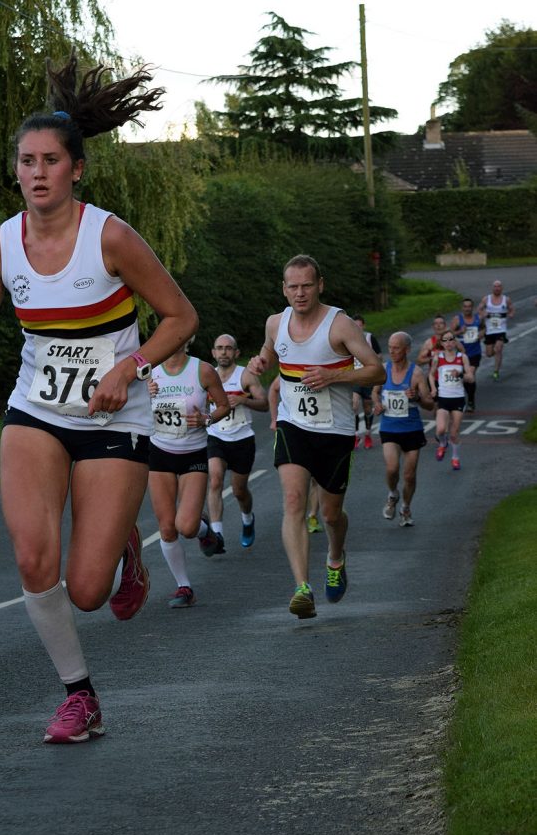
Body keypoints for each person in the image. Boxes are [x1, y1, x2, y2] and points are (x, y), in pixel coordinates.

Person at [0, 53, 197, 744]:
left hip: (115, 415)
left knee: (89, 591)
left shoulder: (110, 236)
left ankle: (124, 541)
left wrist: (132, 366)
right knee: (35, 558)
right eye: (26, 160)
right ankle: (79, 694)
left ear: (76, 169)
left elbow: (182, 317)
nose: (36, 172)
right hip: (36, 411)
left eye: (50, 160)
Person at [249, 255, 385, 620]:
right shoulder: (276, 323)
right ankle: (301, 588)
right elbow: (267, 351)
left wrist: (333, 376)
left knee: (330, 513)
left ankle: (336, 557)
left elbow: (377, 372)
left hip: (336, 432)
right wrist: (259, 362)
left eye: (306, 285)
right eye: (292, 287)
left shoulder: (339, 325)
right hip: (294, 427)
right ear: (284, 288)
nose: (300, 293)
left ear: (320, 284)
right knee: (293, 501)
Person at [147, 339, 230, 608]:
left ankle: (204, 530)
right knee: (168, 528)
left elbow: (224, 406)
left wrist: (207, 419)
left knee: (187, 526)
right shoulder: (148, 371)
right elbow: (128, 406)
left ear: (188, 340)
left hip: (193, 453)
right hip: (159, 452)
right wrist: (142, 393)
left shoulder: (203, 370)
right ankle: (184, 587)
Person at [205, 334, 268, 553]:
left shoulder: (246, 376)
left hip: (242, 439)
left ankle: (247, 518)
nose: (223, 352)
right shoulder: (206, 376)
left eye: (228, 348)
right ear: (213, 352)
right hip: (216, 436)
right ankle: (217, 533)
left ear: (236, 353)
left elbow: (265, 404)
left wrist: (243, 400)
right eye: (219, 348)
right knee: (214, 480)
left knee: (240, 491)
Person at [372, 332, 435, 527]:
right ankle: (393, 494)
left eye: (396, 347)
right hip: (390, 427)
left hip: (411, 428)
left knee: (409, 475)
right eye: (390, 347)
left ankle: (406, 507)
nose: (391, 351)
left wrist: (416, 398)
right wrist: (377, 405)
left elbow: (430, 404)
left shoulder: (416, 373)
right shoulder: (383, 370)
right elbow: (375, 392)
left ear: (407, 349)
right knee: (392, 468)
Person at [269, 376, 321, 533]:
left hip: (321, 428)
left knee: (315, 479)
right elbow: (273, 389)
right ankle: (301, 515)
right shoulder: (291, 366)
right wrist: (274, 418)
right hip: (294, 430)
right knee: (297, 485)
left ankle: (312, 514)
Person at [429, 329, 474, 471]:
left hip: (458, 398)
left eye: (450, 339)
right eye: (445, 340)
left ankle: (455, 458)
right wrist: (433, 388)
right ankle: (442, 444)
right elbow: (430, 375)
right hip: (443, 398)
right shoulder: (438, 358)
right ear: (441, 343)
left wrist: (460, 374)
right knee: (440, 430)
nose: (448, 343)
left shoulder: (462, 357)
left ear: (455, 342)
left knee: (454, 433)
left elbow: (471, 378)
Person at [350, 314, 382, 448]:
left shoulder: (369, 338)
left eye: (359, 325)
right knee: (355, 405)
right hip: (355, 377)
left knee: (368, 408)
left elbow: (380, 356)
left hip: (368, 377)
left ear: (363, 326)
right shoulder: (348, 339)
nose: (357, 328)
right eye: (355, 325)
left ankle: (367, 434)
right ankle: (356, 435)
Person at [451, 297, 484, 411]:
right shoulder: (457, 319)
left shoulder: (478, 318)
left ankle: (470, 401)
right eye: (465, 306)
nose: (467, 309)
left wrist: (481, 334)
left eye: (469, 306)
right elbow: (449, 335)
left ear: (472, 307)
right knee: (466, 378)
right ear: (462, 308)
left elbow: (484, 328)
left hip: (475, 352)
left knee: (470, 376)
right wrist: (460, 331)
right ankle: (469, 399)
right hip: (462, 354)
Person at [480, 279, 514, 380]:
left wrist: (510, 314)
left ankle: (496, 371)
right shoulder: (487, 299)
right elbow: (479, 309)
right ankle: (495, 351)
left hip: (501, 330)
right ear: (492, 288)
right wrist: (483, 314)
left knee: (498, 349)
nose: (497, 288)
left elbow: (512, 309)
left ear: (502, 288)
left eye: (499, 286)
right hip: (489, 330)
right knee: (489, 354)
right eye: (495, 286)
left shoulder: (506, 299)